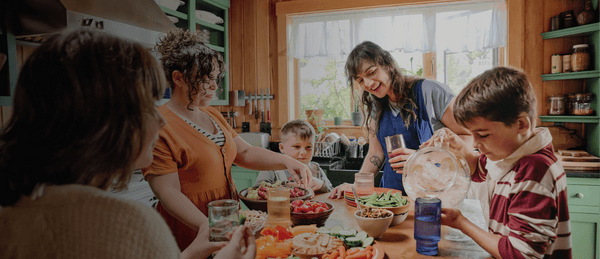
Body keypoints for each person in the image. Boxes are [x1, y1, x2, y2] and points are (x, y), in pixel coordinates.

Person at [0, 28, 256, 259]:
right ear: (106, 122)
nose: (160, 120)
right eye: (147, 104)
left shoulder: (13, 217)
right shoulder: (129, 224)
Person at [143, 28, 311, 250]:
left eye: (215, 78)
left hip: (226, 223)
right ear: (178, 78)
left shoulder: (211, 113)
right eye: (206, 79)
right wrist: (206, 226)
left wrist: (287, 161)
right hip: (190, 230)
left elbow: (245, 153)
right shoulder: (160, 125)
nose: (214, 86)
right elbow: (168, 192)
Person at [432, 67, 571, 258]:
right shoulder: (512, 153)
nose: (476, 143)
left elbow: (520, 254)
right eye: (471, 135)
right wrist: (460, 147)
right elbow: (480, 169)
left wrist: (460, 222)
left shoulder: (535, 171)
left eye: (482, 134)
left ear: (521, 125)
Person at [329, 41, 471, 198]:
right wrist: (356, 185)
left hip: (432, 198)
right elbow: (376, 153)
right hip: (391, 198)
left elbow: (467, 136)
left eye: (371, 72)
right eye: (360, 80)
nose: (368, 84)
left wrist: (420, 159)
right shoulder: (377, 106)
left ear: (387, 64)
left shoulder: (429, 91)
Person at [254, 120, 333, 193]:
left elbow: (331, 191)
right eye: (296, 147)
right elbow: (257, 190)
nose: (303, 152)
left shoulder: (316, 169)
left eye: (308, 147)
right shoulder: (271, 168)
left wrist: (322, 184)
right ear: (282, 148)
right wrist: (288, 186)